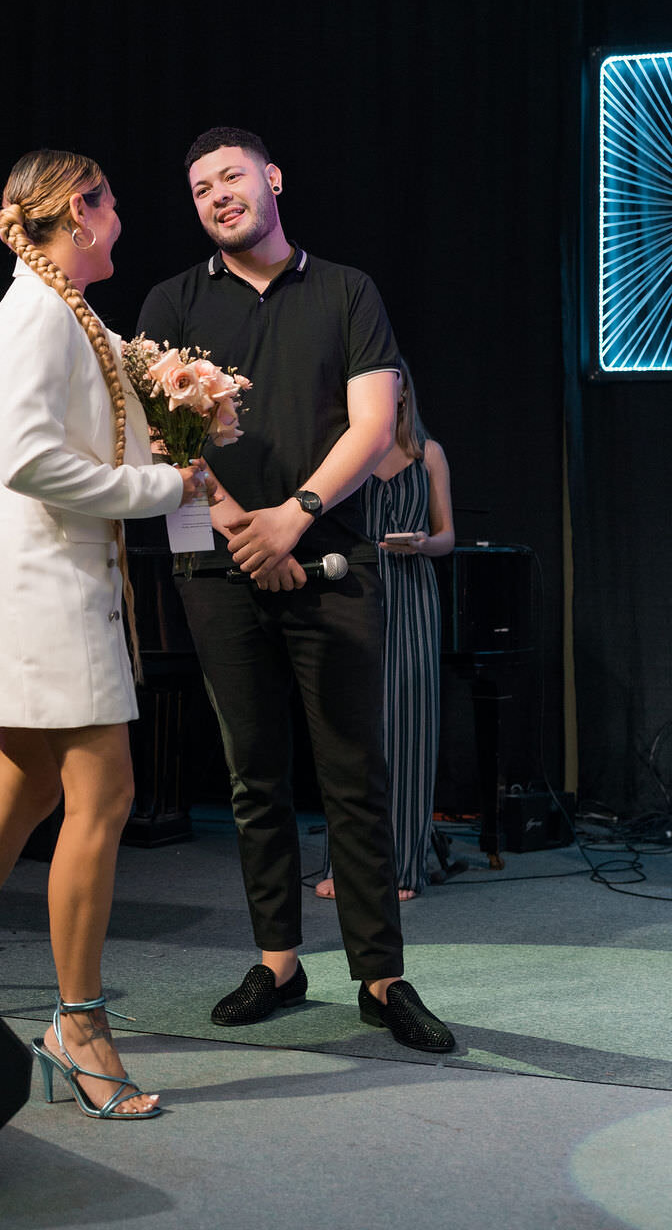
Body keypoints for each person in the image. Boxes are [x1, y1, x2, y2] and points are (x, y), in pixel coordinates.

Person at [137, 126, 454, 1054]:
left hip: (332, 559)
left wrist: (297, 515)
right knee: (253, 777)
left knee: (354, 775)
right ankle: (277, 959)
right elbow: (167, 440)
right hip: (215, 563)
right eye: (199, 188)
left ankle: (382, 977)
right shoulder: (172, 300)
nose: (217, 195)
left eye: (232, 177)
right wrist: (248, 527)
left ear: (272, 179)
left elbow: (373, 421)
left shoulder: (348, 290)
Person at [0, 148, 214, 1120]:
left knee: (24, 788)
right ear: (78, 215)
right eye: (113, 200)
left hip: (48, 571)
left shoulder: (56, 309)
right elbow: (30, 456)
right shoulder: (40, 313)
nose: (124, 214)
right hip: (44, 578)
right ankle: (79, 1028)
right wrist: (163, 487)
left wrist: (181, 417)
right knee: (104, 793)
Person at [314, 359, 455, 902]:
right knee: (350, 731)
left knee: (409, 732)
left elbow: (447, 537)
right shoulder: (347, 454)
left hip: (413, 593)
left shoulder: (428, 455)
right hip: (356, 590)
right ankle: (345, 866)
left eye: (393, 388)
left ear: (402, 395)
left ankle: (402, 869)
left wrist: (421, 543)